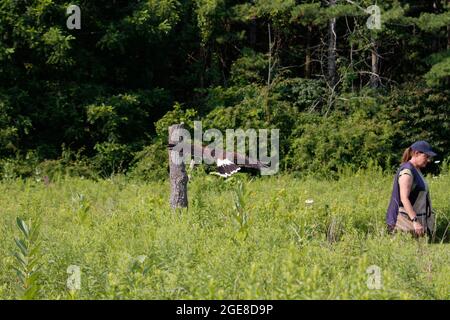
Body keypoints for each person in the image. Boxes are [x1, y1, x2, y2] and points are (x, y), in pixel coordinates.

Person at [386, 141, 437, 237]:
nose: (428, 160)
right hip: (403, 224)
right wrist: (415, 221)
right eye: (426, 156)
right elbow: (404, 198)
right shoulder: (407, 171)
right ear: (416, 153)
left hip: (412, 225)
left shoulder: (416, 170)